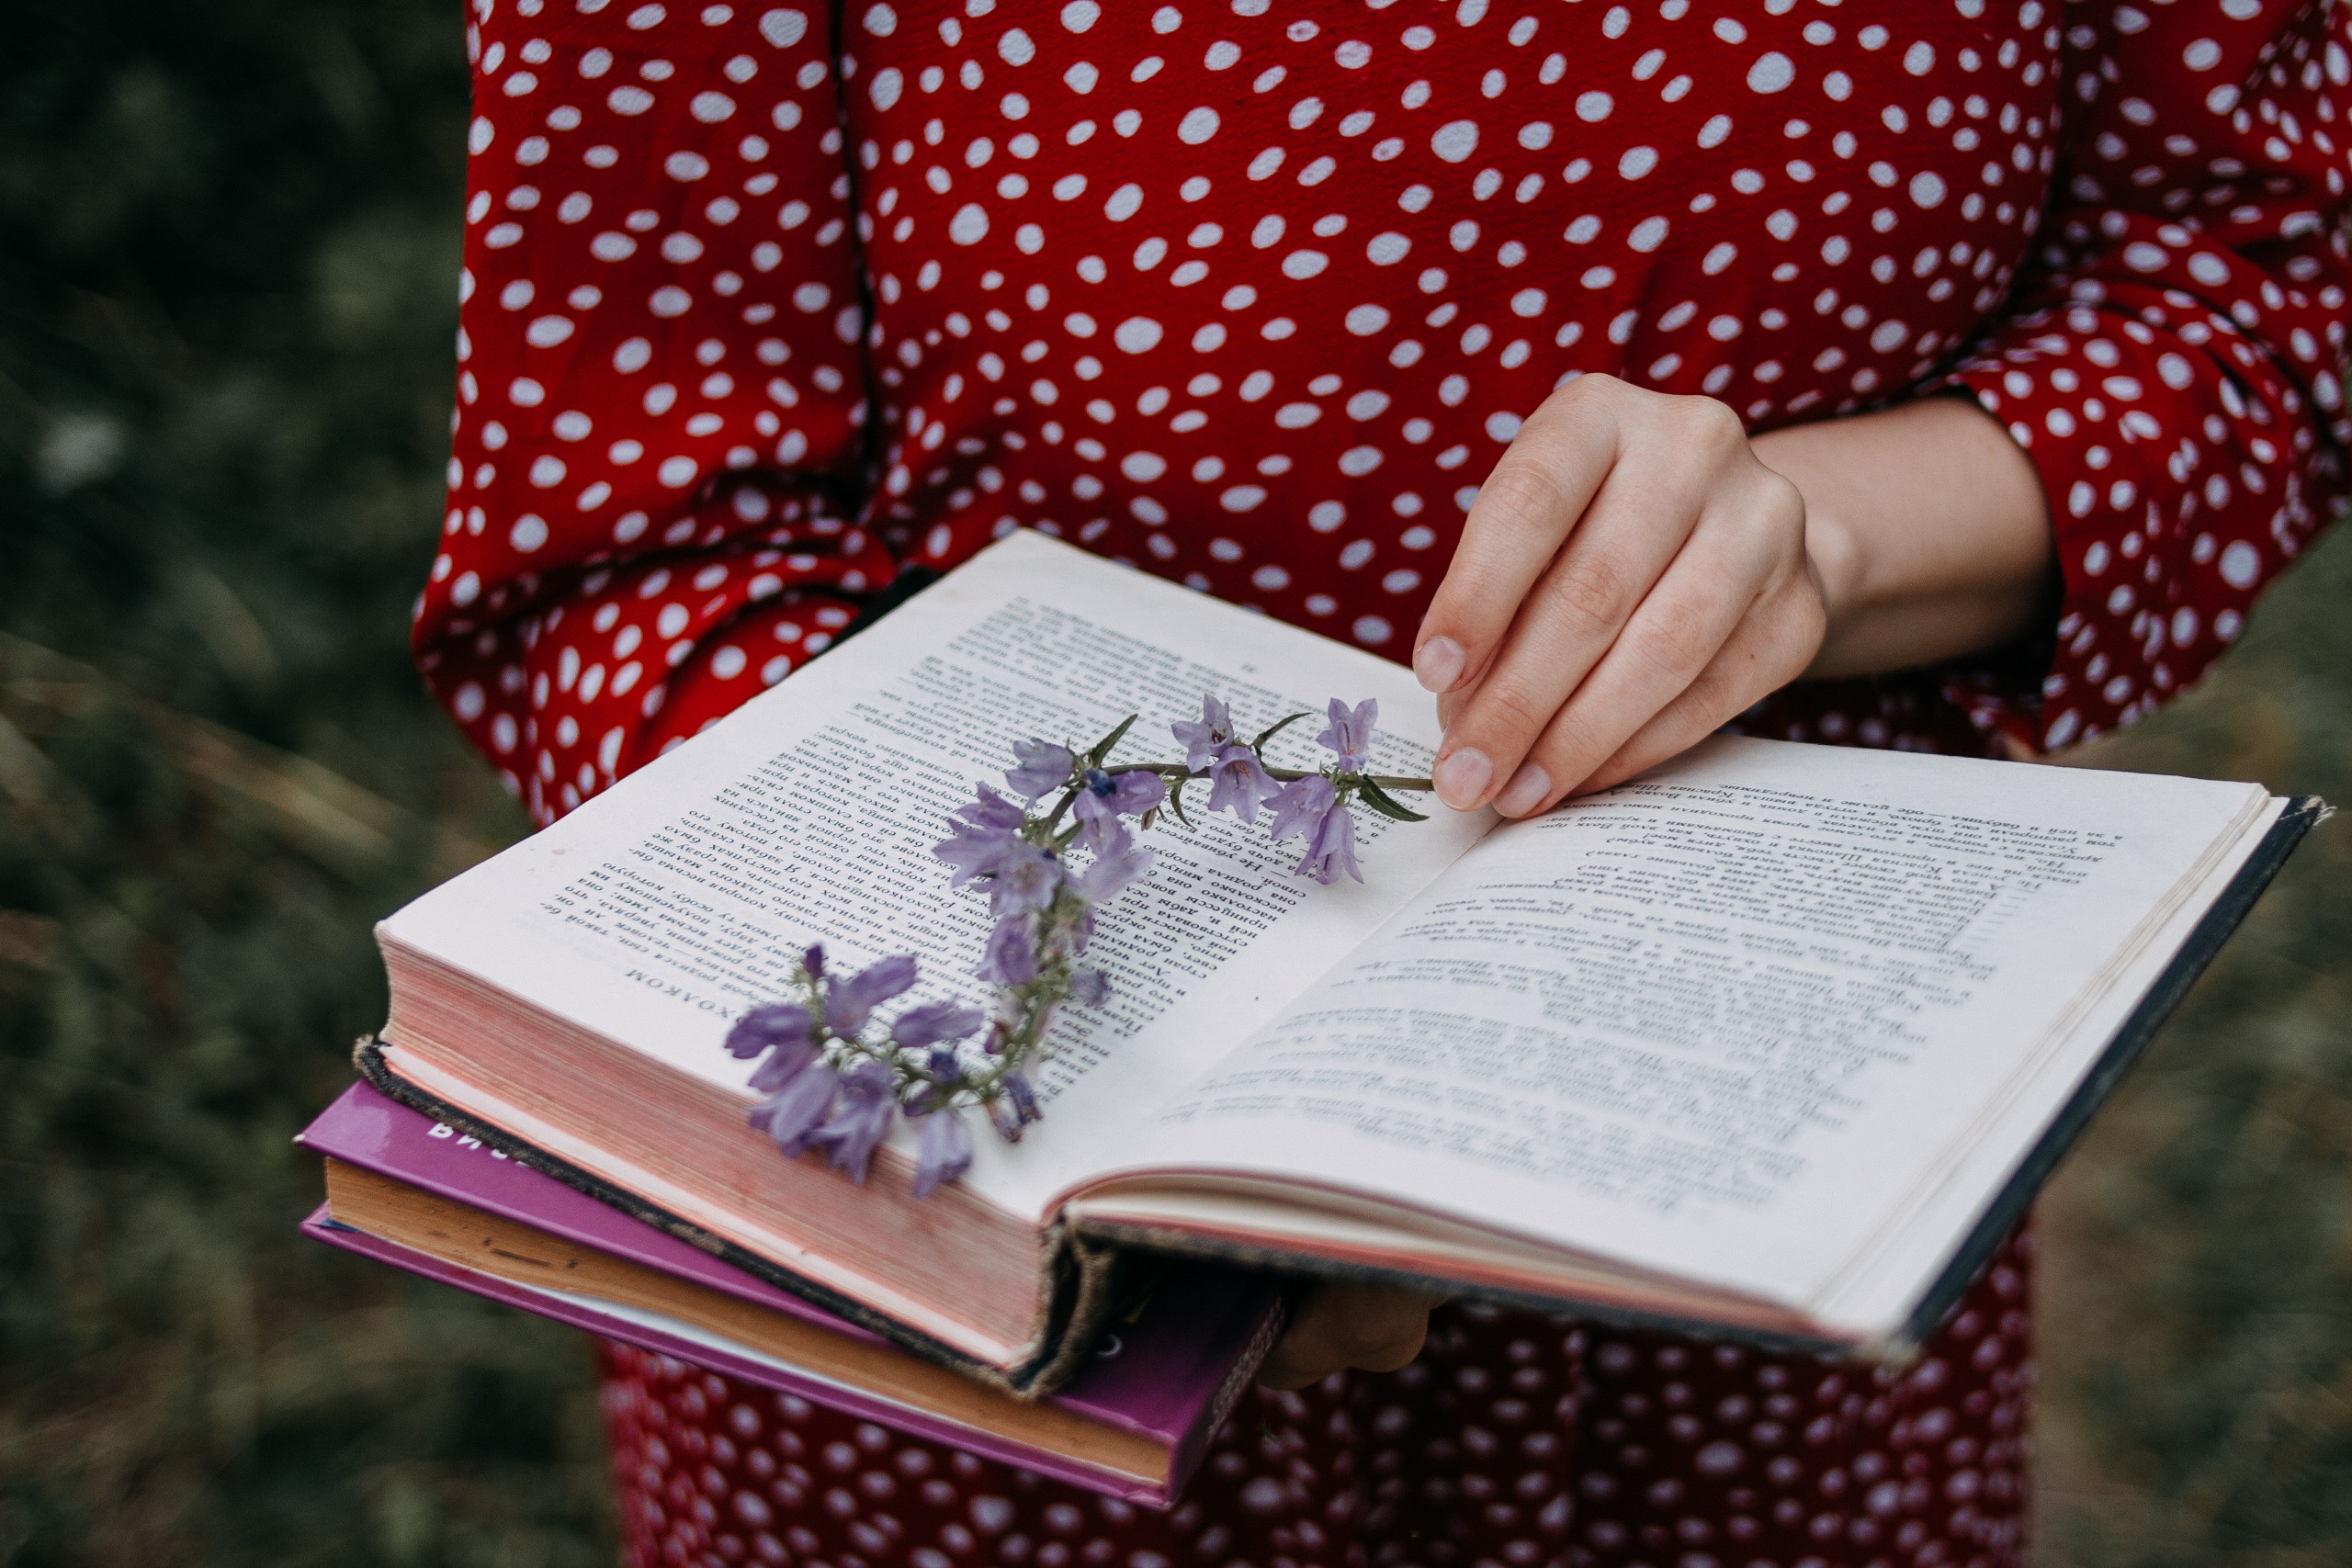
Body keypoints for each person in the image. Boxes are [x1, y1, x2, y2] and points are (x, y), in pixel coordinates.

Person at [413, 2, 2349, 1563]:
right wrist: (1090, 1135)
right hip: (979, 1276)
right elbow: (626, 536)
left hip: (1739, 1250)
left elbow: (2259, 290)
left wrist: (1814, 541)